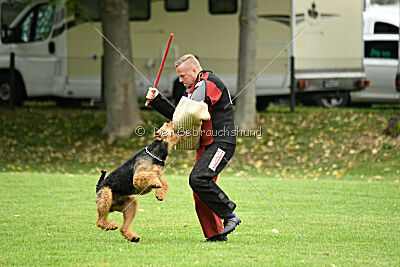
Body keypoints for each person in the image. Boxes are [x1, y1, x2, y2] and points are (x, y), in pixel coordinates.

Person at [146, 54, 241, 242]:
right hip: (206, 145)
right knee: (199, 189)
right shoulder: (194, 88)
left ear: (195, 70)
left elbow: (186, 115)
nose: (180, 81)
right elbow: (179, 116)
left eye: (182, 76)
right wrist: (157, 100)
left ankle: (229, 215)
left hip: (221, 143)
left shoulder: (209, 82)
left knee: (198, 179)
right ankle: (215, 236)